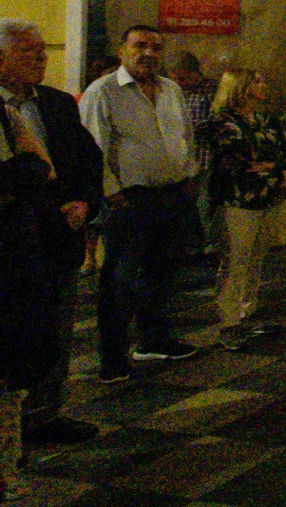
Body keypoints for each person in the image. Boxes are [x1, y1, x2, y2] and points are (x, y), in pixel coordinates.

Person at [0, 20, 102, 446]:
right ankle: (10, 422)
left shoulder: (59, 104)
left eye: (43, 50)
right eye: (29, 52)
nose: (42, 58)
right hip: (12, 243)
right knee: (15, 332)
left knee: (56, 330)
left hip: (60, 237)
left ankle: (45, 415)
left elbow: (88, 160)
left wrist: (85, 202)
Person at [79, 25, 200, 383]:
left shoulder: (171, 89)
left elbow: (185, 136)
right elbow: (91, 149)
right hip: (129, 201)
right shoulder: (102, 92)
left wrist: (189, 174)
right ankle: (112, 357)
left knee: (162, 274)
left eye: (156, 47)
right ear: (122, 50)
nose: (148, 53)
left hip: (172, 195)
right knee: (120, 280)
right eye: (139, 45)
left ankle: (154, 340)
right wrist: (111, 193)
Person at [208, 70, 286, 352]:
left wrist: (271, 164)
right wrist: (267, 161)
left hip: (269, 197)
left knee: (257, 256)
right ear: (240, 87)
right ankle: (229, 321)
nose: (264, 84)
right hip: (238, 200)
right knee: (235, 260)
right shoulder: (223, 121)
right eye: (257, 81)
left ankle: (247, 311)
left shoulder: (267, 119)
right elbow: (235, 157)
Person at [0, 103, 56, 503]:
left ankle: (5, 473)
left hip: (10, 261)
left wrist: (21, 173)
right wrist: (19, 172)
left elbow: (42, 169)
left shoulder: (6, 114)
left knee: (7, 380)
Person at [167, 51, 222, 260]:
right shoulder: (169, 90)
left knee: (204, 201)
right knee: (182, 203)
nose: (179, 82)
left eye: (184, 77)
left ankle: (210, 244)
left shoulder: (210, 89)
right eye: (175, 77)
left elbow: (219, 117)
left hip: (203, 154)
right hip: (177, 157)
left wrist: (194, 128)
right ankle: (187, 243)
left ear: (195, 73)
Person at [79, 56, 120, 278]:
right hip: (100, 177)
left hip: (120, 182)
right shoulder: (93, 94)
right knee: (94, 222)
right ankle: (89, 257)